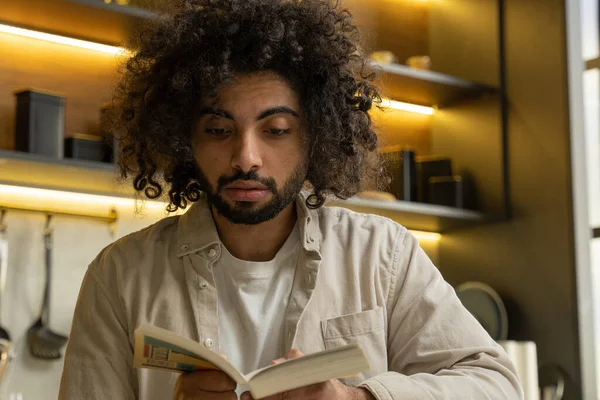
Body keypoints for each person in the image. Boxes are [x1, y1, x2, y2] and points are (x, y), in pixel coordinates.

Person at [58, 0, 522, 399]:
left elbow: (495, 385)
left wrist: (358, 397)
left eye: (276, 130)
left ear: (315, 136)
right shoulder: (118, 276)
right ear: (184, 138)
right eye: (218, 130)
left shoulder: (383, 254)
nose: (246, 157)